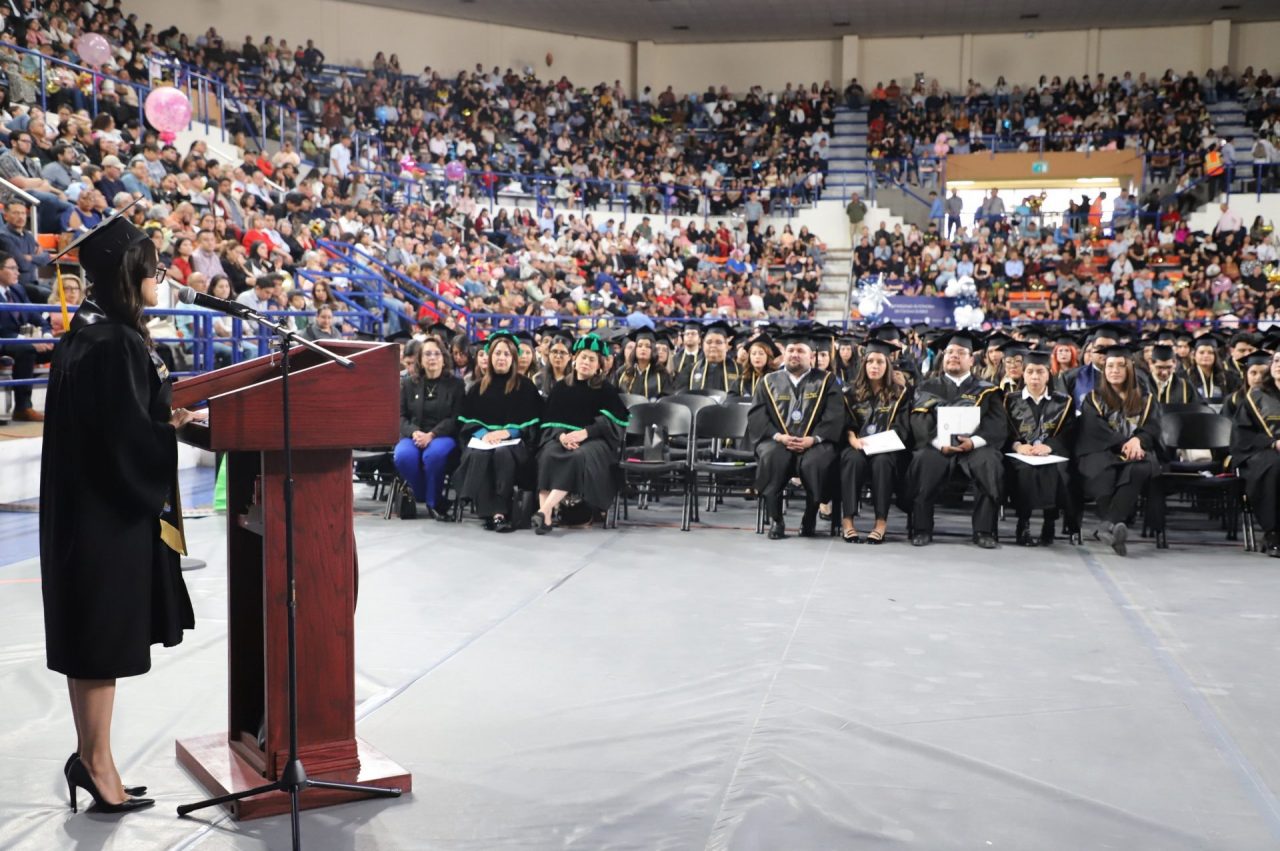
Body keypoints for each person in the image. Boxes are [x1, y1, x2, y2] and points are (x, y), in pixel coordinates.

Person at [40, 215, 198, 814]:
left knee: (90, 642)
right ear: (129, 273)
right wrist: (168, 430)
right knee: (99, 644)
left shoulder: (85, 333)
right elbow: (127, 439)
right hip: (105, 519)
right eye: (153, 267)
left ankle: (93, 757)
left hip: (80, 514)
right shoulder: (115, 342)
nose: (160, 276)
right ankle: (97, 765)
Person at [906, 332, 1007, 549]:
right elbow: (919, 420)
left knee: (989, 462)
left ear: (971, 360)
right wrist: (938, 442)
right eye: (950, 352)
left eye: (961, 353)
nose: (954, 356)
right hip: (937, 446)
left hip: (974, 447)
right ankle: (922, 528)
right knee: (923, 461)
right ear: (943, 358)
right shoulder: (927, 387)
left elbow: (996, 424)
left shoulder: (987, 389)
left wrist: (974, 442)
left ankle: (983, 530)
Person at [748, 331, 844, 540]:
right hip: (777, 441)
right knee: (771, 457)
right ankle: (776, 519)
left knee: (817, 462)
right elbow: (757, 416)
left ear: (811, 356)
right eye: (791, 350)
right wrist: (779, 437)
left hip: (815, 442)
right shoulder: (768, 381)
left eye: (801, 350)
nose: (794, 354)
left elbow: (834, 415)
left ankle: (810, 516)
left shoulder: (826, 380)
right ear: (784, 354)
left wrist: (814, 439)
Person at [533, 333, 630, 534]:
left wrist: (585, 433)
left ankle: (544, 511)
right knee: (547, 454)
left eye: (592, 359)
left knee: (576, 457)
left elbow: (615, 422)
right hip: (563, 438)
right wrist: (561, 436)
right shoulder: (561, 388)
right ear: (575, 359)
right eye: (583, 357)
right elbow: (550, 420)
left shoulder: (606, 389)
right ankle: (546, 517)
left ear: (599, 366)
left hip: (595, 441)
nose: (586, 362)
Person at [1076, 345, 1163, 556]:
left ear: (1129, 369)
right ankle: (1114, 527)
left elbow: (1153, 426)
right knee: (1103, 472)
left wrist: (1139, 440)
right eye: (1110, 366)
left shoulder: (1145, 398)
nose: (1114, 370)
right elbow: (1094, 429)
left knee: (1140, 468)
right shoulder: (1093, 398)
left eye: (1120, 366)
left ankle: (1108, 525)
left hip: (1136, 453)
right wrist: (1127, 443)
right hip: (1101, 450)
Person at [453, 332, 543, 532]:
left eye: (506, 354)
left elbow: (532, 424)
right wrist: (483, 434)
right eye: (497, 353)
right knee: (481, 454)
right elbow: (466, 422)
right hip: (483, 441)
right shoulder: (478, 388)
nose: (501, 358)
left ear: (513, 358)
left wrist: (508, 433)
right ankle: (493, 514)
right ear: (490, 357)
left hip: (515, 446)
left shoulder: (525, 387)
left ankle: (498, 512)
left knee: (501, 453)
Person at [838, 339, 909, 544]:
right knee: (852, 460)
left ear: (888, 366)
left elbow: (902, 427)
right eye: (870, 361)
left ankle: (880, 522)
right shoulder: (850, 393)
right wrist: (852, 438)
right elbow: (844, 423)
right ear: (864, 365)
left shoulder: (899, 394)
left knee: (882, 462)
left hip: (886, 448)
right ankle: (848, 521)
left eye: (880, 362)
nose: (874, 366)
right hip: (857, 446)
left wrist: (881, 443)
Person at [1002, 349, 1076, 547]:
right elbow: (1002, 431)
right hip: (1019, 455)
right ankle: (1023, 523)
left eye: (1040, 371)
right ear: (1023, 374)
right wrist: (1017, 446)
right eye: (1030, 371)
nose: (1035, 376)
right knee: (1026, 471)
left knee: (1056, 471)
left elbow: (1069, 432)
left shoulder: (1063, 402)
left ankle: (1049, 522)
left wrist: (1049, 447)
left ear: (1048, 374)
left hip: (1052, 454)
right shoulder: (1009, 400)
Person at [394, 336, 464, 519]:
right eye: (427, 354)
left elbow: (455, 418)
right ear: (420, 359)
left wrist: (432, 434)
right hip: (414, 435)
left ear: (444, 358)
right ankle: (425, 496)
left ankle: (433, 503)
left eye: (436, 354)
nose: (432, 358)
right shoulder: (409, 384)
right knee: (403, 456)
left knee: (432, 455)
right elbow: (400, 416)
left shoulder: (456, 384)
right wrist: (414, 432)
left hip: (443, 436)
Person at [1231, 350, 1280, 557]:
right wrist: (1273, 443)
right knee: (1274, 466)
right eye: (1276, 360)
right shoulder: (1256, 397)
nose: (1278, 364)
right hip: (1258, 453)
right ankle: (1273, 533)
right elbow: (1243, 436)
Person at [0, 250, 52, 421]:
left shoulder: (17, 290)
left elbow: (37, 317)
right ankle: (23, 408)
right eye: (12, 268)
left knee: (63, 346)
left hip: (18, 344)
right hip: (4, 342)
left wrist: (46, 336)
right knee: (26, 349)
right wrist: (29, 341)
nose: (18, 272)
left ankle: (61, 401)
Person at [676, 321, 739, 393]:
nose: (713, 345)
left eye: (718, 342)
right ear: (703, 345)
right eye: (709, 342)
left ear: (726, 346)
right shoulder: (690, 370)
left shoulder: (738, 370)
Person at [617, 327, 669, 399]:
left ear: (653, 350)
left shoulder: (661, 374)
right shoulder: (622, 372)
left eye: (647, 346)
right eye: (640, 346)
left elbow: (666, 398)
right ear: (635, 349)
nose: (643, 349)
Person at [737, 333, 779, 397]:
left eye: (761, 354)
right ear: (749, 357)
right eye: (753, 354)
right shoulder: (743, 378)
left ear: (768, 357)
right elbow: (731, 397)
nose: (757, 357)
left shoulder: (775, 377)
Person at [534, 328, 573, 395]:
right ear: (549, 353)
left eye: (562, 352)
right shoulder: (538, 379)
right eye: (554, 351)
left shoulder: (574, 380)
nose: (558, 356)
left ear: (569, 356)